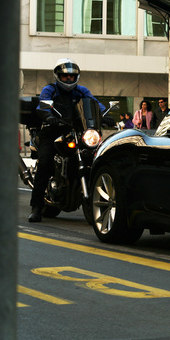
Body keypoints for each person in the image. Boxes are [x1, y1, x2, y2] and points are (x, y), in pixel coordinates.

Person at [28, 58, 106, 222]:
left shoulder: (81, 91)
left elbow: (95, 104)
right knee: (45, 163)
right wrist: (48, 116)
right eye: (65, 76)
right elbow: (42, 105)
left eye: (72, 76)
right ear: (58, 76)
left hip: (75, 132)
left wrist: (105, 115)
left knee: (91, 157)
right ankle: (36, 207)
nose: (69, 79)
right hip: (51, 132)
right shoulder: (50, 90)